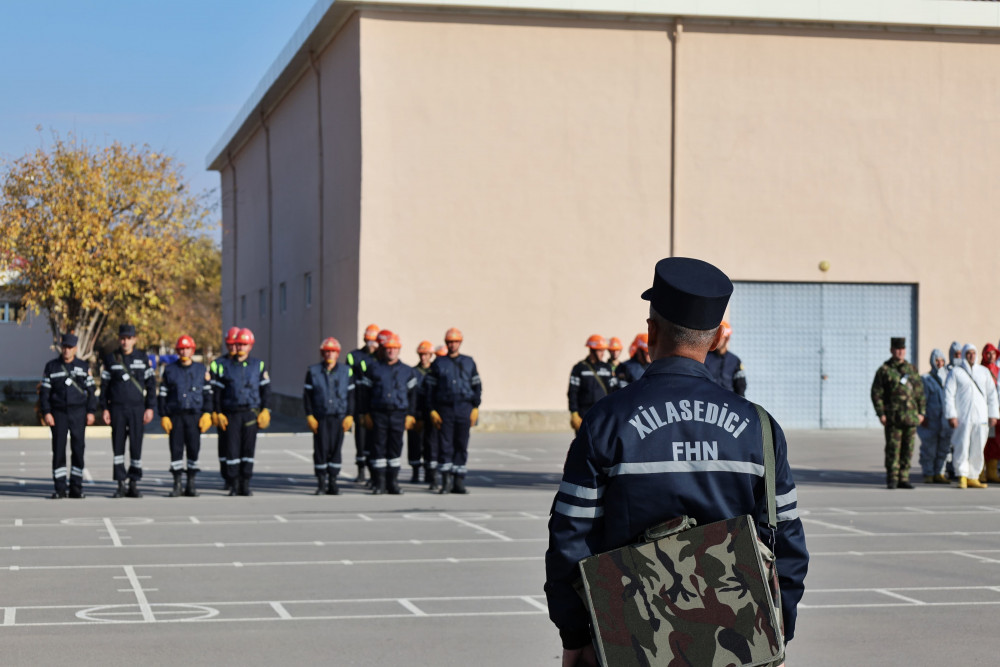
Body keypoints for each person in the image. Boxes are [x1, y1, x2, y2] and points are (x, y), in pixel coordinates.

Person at [544, 257, 808, 666]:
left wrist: (574, 635)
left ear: (651, 331)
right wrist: (776, 632)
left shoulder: (608, 420)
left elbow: (569, 538)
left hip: (630, 641)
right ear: (718, 338)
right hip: (738, 638)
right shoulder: (760, 427)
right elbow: (787, 542)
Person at [211, 327, 271, 496]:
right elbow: (217, 392)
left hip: (250, 413)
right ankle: (233, 483)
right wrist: (217, 411)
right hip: (231, 413)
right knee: (232, 450)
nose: (240, 347)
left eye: (244, 344)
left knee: (248, 450)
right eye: (238, 344)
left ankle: (246, 483)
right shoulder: (226, 366)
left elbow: (265, 390)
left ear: (250, 346)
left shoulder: (258, 365)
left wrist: (266, 410)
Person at [100, 323, 156, 498]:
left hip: (137, 409)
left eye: (129, 338)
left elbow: (151, 385)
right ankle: (120, 484)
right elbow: (104, 388)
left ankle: (133, 483)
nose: (125, 342)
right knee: (118, 447)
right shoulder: (111, 359)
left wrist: (150, 408)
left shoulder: (142, 358)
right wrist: (105, 409)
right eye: (123, 338)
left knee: (136, 446)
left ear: (134, 339)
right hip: (117, 408)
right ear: (119, 339)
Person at [39, 333, 97, 499]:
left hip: (78, 412)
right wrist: (47, 412)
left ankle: (76, 487)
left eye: (70, 348)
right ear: (61, 347)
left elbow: (91, 391)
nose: (66, 350)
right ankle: (59, 487)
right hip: (58, 413)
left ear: (75, 349)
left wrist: (91, 411)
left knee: (78, 449)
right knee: (58, 449)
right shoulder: (52, 367)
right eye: (64, 347)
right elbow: (44, 393)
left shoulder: (83, 367)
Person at [360, 333, 417, 495]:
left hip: (398, 414)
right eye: (388, 348)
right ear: (383, 350)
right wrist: (365, 414)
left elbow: (413, 395)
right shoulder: (374, 369)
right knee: (378, 449)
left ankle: (393, 483)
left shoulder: (407, 371)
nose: (391, 351)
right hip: (379, 414)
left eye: (394, 348)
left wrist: (411, 414)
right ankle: (379, 483)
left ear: (399, 350)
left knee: (395, 449)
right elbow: (364, 394)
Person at [427, 327, 482, 494]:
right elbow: (430, 389)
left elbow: (477, 386)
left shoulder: (468, 362)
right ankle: (446, 482)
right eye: (450, 342)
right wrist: (432, 410)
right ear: (446, 343)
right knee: (445, 445)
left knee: (461, 444)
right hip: (445, 409)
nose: (453, 345)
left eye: (455, 342)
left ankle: (459, 481)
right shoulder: (438, 363)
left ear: (460, 342)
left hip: (464, 408)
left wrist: (475, 407)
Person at [157, 335, 213, 497]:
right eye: (181, 348)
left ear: (192, 350)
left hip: (194, 416)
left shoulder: (201, 369)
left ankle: (191, 483)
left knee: (193, 450)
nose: (184, 351)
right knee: (176, 451)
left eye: (187, 348)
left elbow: (208, 394)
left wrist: (207, 413)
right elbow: (162, 394)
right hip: (176, 416)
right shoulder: (170, 370)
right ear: (177, 350)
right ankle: (177, 484)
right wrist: (164, 415)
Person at [870, 337, 926, 489]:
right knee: (893, 449)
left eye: (902, 349)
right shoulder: (885, 370)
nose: (900, 352)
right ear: (891, 350)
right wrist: (881, 413)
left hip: (910, 417)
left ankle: (904, 477)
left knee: (908, 449)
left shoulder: (911, 370)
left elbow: (920, 393)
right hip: (893, 418)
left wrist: (921, 413)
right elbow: (876, 393)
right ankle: (892, 477)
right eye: (897, 349)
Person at [303, 337, 356, 495]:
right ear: (322, 353)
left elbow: (352, 395)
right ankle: (321, 483)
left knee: (335, 449)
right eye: (327, 351)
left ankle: (333, 482)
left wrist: (350, 415)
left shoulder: (346, 371)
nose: (330, 354)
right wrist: (309, 415)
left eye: (333, 351)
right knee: (320, 450)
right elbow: (307, 396)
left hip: (339, 417)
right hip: (321, 417)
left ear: (337, 353)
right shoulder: (313, 372)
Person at [944, 343, 999, 489]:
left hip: (981, 417)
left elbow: (992, 395)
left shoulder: (983, 372)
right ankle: (962, 475)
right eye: (968, 353)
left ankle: (974, 476)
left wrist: (993, 414)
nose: (971, 355)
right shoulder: (956, 372)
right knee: (962, 446)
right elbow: (949, 395)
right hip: (963, 417)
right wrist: (951, 415)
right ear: (963, 355)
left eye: (973, 353)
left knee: (978, 446)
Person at [346, 324, 379, 483]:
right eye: (369, 341)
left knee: (374, 441)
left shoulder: (381, 357)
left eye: (374, 342)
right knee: (361, 438)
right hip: (360, 403)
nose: (372, 345)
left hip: (376, 405)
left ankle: (374, 472)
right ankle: (361, 470)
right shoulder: (355, 356)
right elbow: (349, 380)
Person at [209, 326, 241, 489]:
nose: (233, 347)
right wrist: (215, 411)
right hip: (223, 411)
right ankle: (227, 477)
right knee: (224, 446)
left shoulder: (245, 364)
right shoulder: (218, 364)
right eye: (230, 344)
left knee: (238, 447)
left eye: (236, 344)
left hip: (238, 411)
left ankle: (237, 477)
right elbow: (213, 391)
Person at [567, 335, 617, 432]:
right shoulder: (579, 368)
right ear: (592, 350)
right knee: (584, 446)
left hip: (603, 414)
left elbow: (613, 391)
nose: (603, 354)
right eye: (600, 350)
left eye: (603, 350)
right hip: (584, 415)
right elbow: (572, 392)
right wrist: (574, 412)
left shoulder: (607, 368)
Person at [917, 349, 951, 485]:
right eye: (937, 360)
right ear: (932, 362)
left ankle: (940, 473)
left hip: (945, 420)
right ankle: (928, 473)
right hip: (931, 419)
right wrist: (922, 415)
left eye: (942, 360)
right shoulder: (926, 379)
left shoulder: (949, 377)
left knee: (944, 448)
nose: (940, 363)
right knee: (929, 448)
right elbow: (921, 398)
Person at [409, 340, 435, 484]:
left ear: (430, 355)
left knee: (431, 444)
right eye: (421, 354)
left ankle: (430, 473)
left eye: (426, 354)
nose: (423, 357)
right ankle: (415, 472)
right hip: (417, 412)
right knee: (415, 443)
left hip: (431, 413)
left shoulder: (435, 371)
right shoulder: (413, 372)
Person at [704, 319, 747, 396]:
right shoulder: (705, 357)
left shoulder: (735, 361)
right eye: (716, 338)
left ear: (727, 339)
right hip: (708, 400)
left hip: (729, 403)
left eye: (721, 338)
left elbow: (741, 386)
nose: (718, 341)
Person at [981, 343, 1000, 483]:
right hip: (981, 412)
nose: (991, 356)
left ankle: (992, 472)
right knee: (980, 442)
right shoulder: (978, 370)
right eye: (988, 353)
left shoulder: (998, 371)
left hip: (995, 413)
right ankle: (979, 471)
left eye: (993, 353)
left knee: (993, 443)